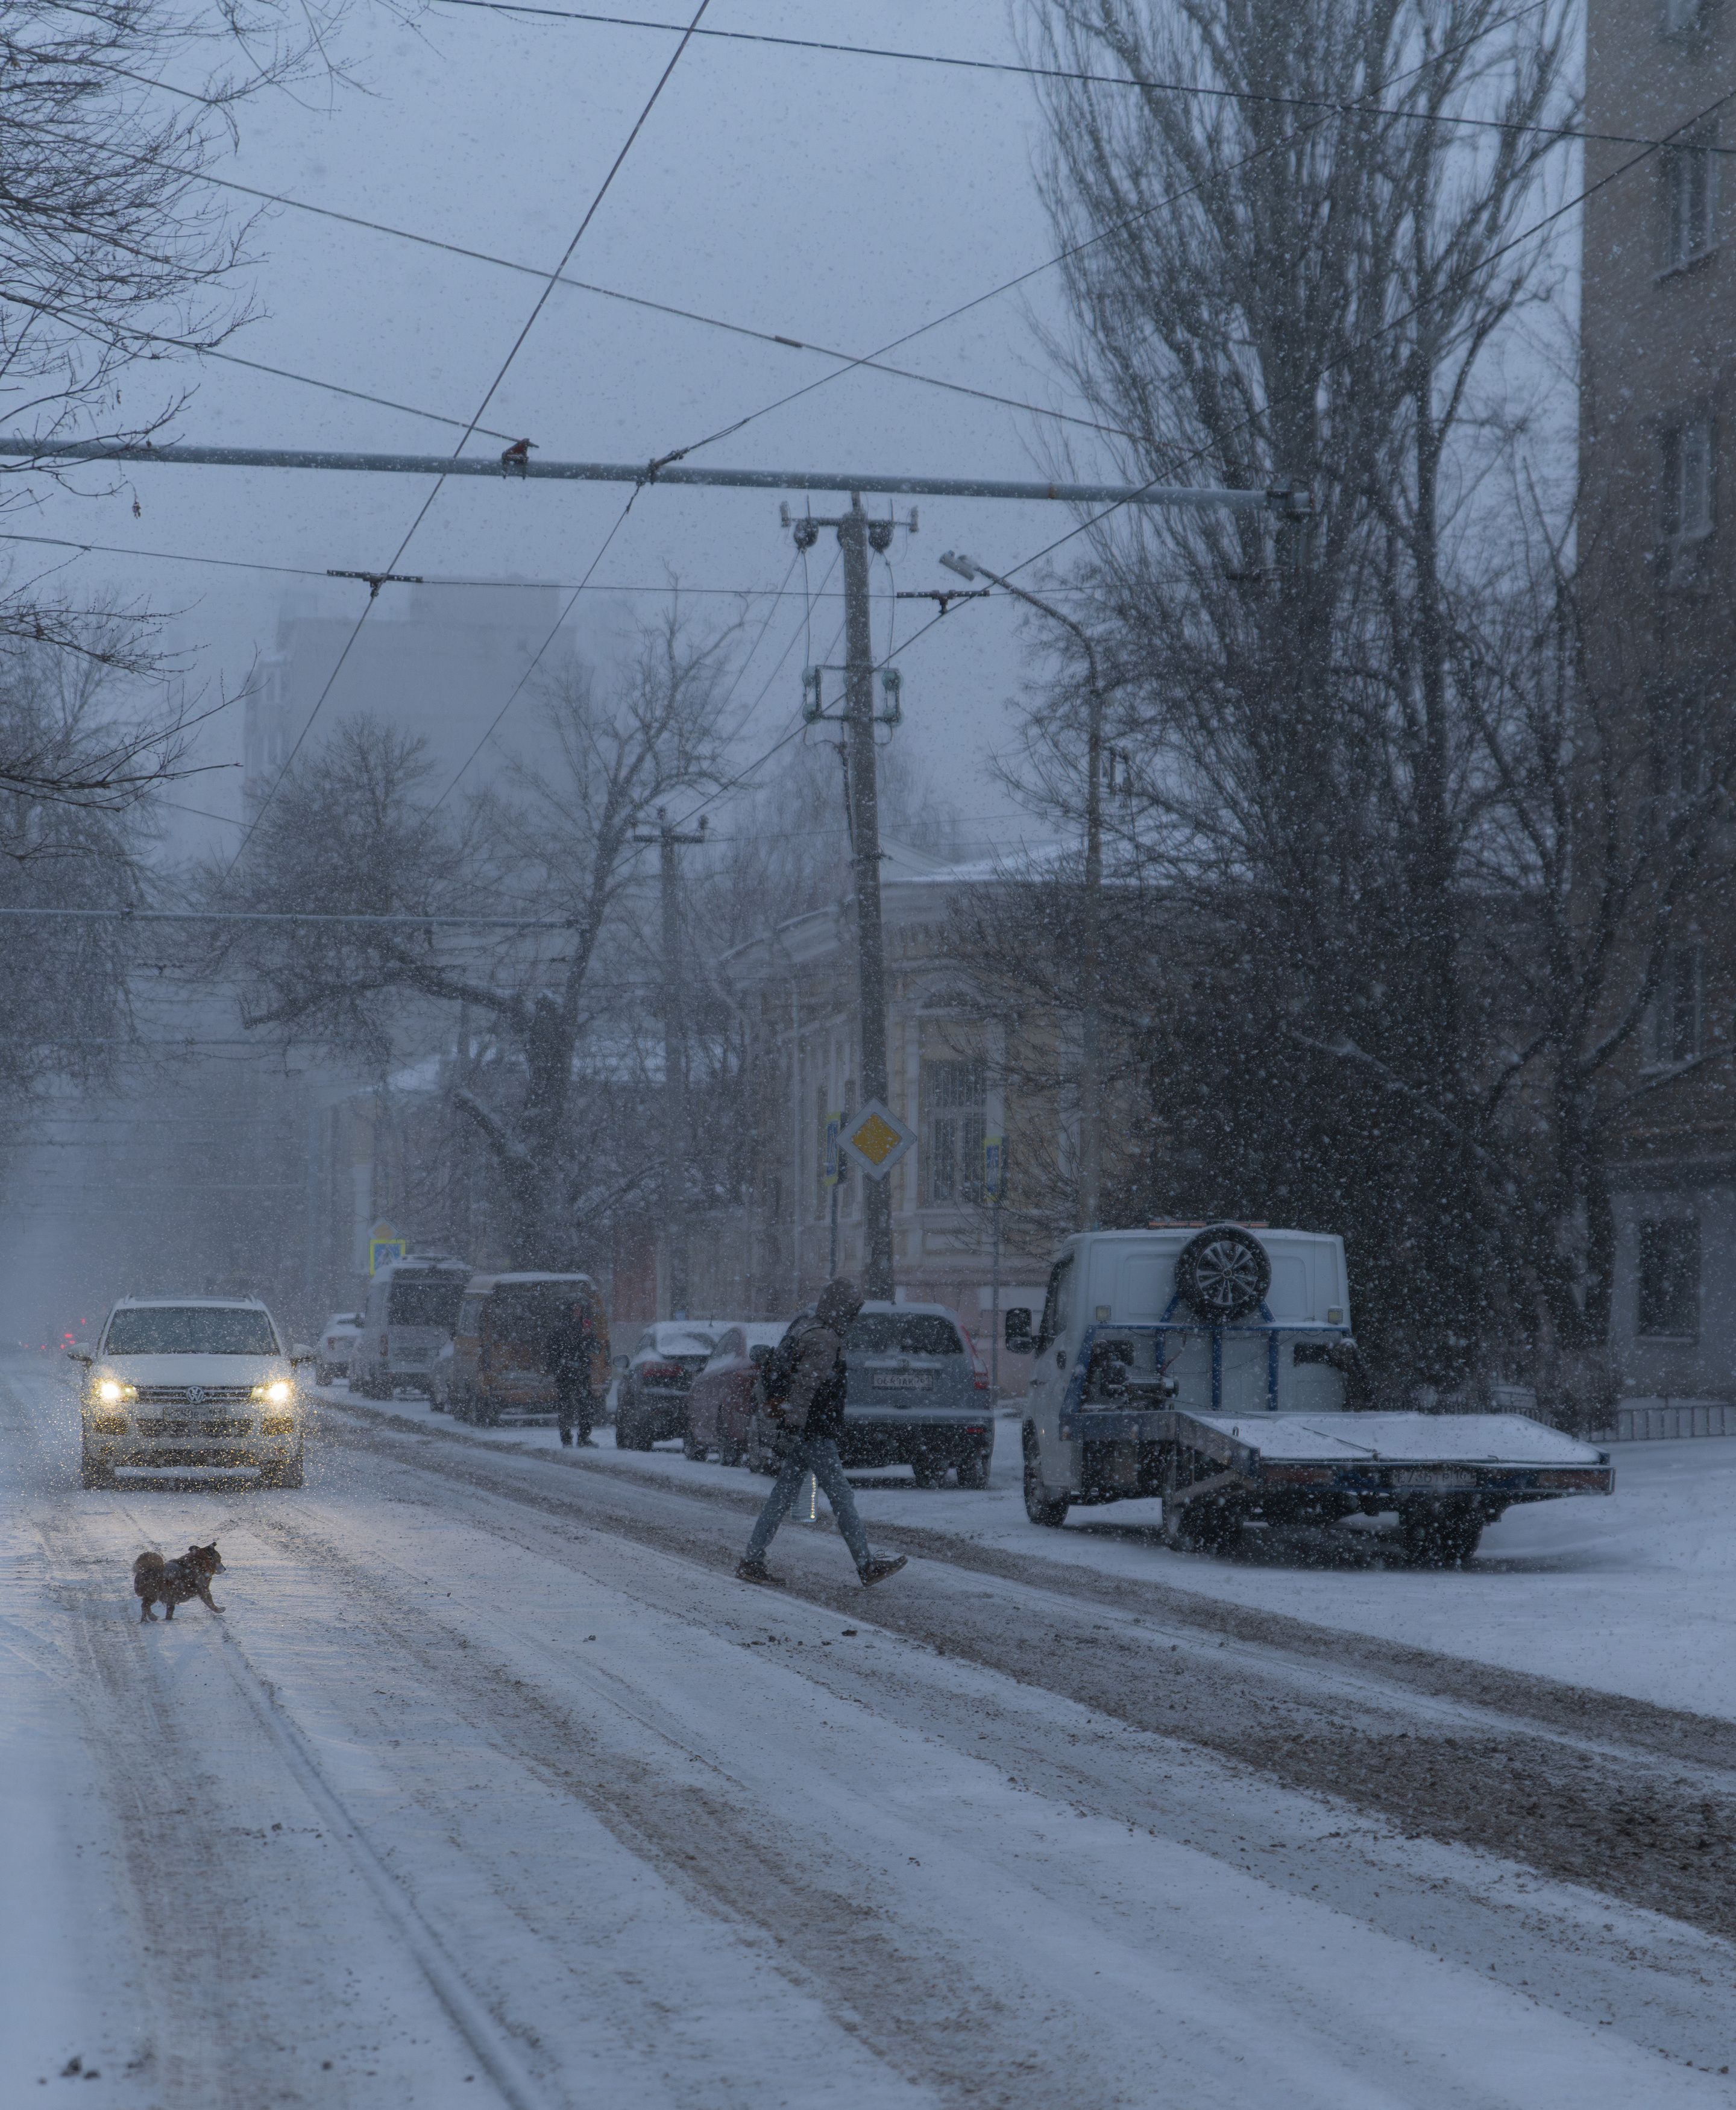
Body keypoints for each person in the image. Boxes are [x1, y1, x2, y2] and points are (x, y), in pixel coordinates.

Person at [737, 1277, 907, 1589]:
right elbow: (806, 1387)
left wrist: (792, 1427)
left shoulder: (809, 1329)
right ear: (843, 1309)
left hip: (807, 1431)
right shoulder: (824, 1339)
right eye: (853, 1310)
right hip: (814, 1431)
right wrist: (797, 1426)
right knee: (842, 1498)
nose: (855, 1317)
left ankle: (752, 1560)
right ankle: (867, 1565)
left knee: (781, 1499)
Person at [544, 1296, 597, 1447]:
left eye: (579, 1310)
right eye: (574, 1309)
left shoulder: (585, 1328)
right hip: (565, 1374)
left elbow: (594, 1349)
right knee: (566, 1408)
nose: (577, 1312)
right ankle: (566, 1438)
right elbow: (551, 1351)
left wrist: (588, 1337)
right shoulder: (560, 1329)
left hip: (581, 1373)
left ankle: (583, 1438)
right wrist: (557, 1369)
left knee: (586, 1407)